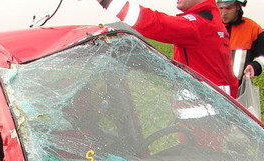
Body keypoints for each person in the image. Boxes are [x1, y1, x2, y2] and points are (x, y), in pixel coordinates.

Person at [95, 0, 238, 97]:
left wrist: (107, 1)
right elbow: (231, 79)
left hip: (199, 118)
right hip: (216, 114)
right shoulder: (214, 23)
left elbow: (154, 22)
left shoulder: (199, 25)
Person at [216, 0, 264, 82]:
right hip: (211, 91)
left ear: (238, 6)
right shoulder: (209, 27)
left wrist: (254, 67)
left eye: (228, 8)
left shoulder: (253, 29)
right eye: (220, 8)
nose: (223, 13)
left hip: (239, 91)